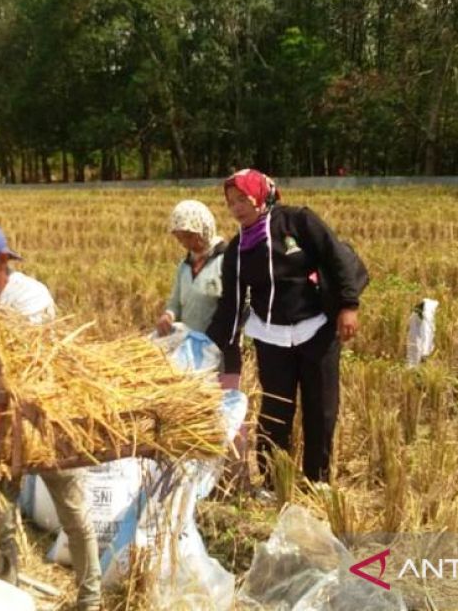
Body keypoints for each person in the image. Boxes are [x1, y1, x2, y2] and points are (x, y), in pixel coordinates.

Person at [0, 221, 101, 611]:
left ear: (1, 260)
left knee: (73, 512)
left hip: (45, 419)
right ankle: (8, 596)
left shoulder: (30, 297)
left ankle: (90, 599)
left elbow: (21, 362)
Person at [206, 169, 369, 485]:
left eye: (242, 199)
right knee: (275, 412)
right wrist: (210, 343)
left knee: (320, 410)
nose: (237, 208)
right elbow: (232, 303)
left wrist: (349, 306)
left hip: (316, 330)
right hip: (271, 337)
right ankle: (272, 480)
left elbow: (335, 258)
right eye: (231, 203)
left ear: (261, 194)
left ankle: (316, 480)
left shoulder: (297, 221)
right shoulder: (238, 250)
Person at [155, 200, 227, 336]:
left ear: (204, 230)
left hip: (218, 346)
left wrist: (217, 336)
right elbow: (175, 302)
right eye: (179, 238)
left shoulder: (225, 261)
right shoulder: (184, 266)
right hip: (189, 345)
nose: (184, 243)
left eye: (188, 237)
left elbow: (238, 307)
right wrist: (168, 315)